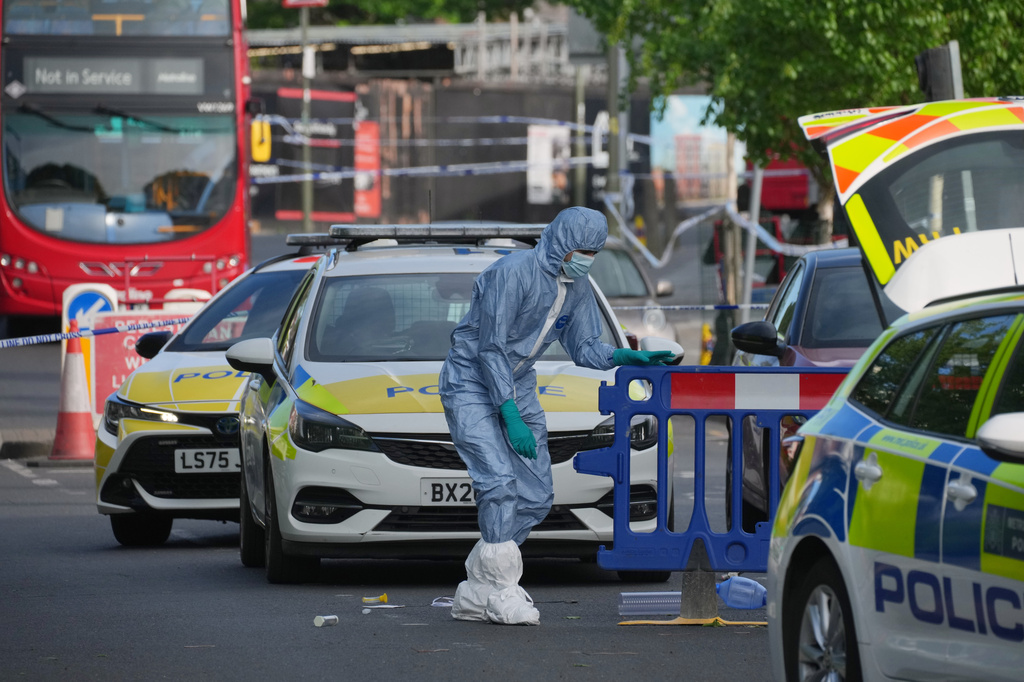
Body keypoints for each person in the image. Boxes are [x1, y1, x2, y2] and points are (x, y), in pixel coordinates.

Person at [438, 206, 674, 625]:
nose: (588, 258)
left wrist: (626, 355)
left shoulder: (578, 286)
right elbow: (490, 346)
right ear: (563, 242)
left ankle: (481, 582)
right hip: (470, 381)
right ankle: (502, 589)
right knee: (499, 481)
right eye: (583, 249)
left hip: (519, 381)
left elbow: (584, 346)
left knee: (536, 495)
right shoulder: (513, 272)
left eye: (594, 252)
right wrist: (508, 412)